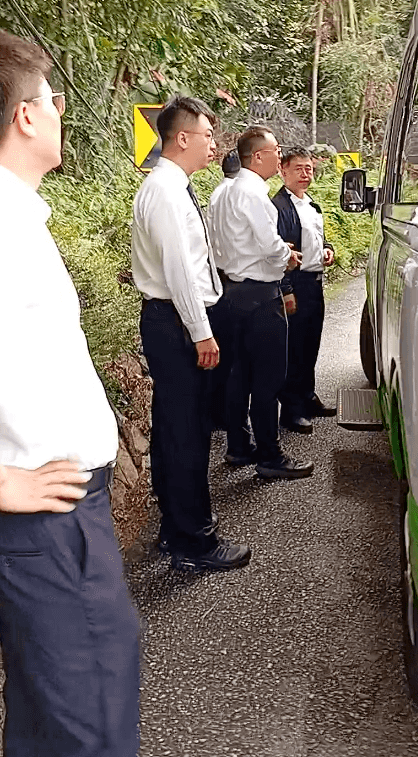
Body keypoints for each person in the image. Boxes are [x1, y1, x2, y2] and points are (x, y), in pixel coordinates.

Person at [0, 27, 140, 757]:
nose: (58, 111)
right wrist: (0, 482)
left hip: (52, 521)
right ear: (23, 117)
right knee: (90, 730)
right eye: (51, 98)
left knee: (55, 724)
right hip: (48, 519)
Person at [132, 96, 251, 572]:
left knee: (176, 429)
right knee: (186, 434)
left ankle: (176, 527)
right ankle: (194, 540)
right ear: (182, 138)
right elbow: (179, 270)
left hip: (176, 318)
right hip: (176, 320)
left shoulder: (172, 186)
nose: (213, 145)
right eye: (206, 135)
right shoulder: (164, 190)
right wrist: (201, 333)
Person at [213, 125, 314, 479]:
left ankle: (239, 446)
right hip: (259, 293)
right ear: (258, 156)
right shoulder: (254, 193)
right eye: (275, 150)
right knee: (269, 378)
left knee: (239, 374)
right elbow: (270, 244)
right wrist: (285, 256)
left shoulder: (224, 191)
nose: (279, 155)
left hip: (232, 291)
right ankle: (270, 455)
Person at [272, 145, 336, 434]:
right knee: (293, 348)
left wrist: (327, 250)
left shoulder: (312, 205)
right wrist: (286, 290)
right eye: (298, 168)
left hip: (315, 282)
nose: (305, 173)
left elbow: (320, 240)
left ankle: (307, 397)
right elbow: (277, 252)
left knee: (311, 343)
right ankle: (291, 409)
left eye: (309, 168)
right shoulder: (278, 207)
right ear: (282, 170)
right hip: (294, 283)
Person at [206, 149, 241, 430]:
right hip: (233, 278)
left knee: (225, 355)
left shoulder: (218, 192)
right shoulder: (237, 194)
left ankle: (218, 411)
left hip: (219, 275)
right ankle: (226, 416)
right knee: (233, 357)